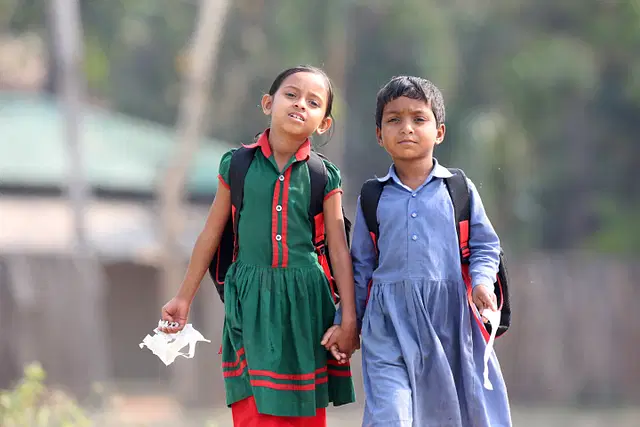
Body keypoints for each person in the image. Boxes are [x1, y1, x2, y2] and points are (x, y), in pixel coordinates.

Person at [159, 65, 358, 427]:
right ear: (268, 102)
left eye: (313, 102)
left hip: (306, 306)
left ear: (324, 124)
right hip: (249, 302)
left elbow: (340, 249)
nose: (300, 104)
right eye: (291, 94)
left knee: (303, 416)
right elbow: (210, 235)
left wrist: (348, 316)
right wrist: (183, 298)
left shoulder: (324, 176)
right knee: (251, 412)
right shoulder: (236, 165)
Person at [325, 75, 512, 426]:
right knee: (391, 415)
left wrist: (482, 283)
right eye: (394, 120)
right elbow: (361, 268)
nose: (406, 128)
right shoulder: (372, 196)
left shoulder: (458, 189)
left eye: (418, 119)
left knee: (453, 415)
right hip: (388, 324)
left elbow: (485, 245)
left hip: (451, 322)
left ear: (439, 132)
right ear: (379, 135)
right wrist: (345, 323)